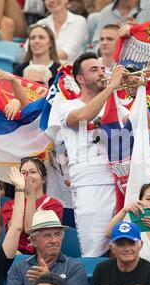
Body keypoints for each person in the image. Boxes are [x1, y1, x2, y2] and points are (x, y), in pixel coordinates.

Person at [57, 52, 131, 257]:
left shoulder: (115, 104)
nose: (101, 72)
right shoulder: (68, 106)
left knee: (126, 246)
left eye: (101, 68)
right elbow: (81, 117)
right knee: (94, 250)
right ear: (80, 79)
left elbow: (146, 127)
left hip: (121, 180)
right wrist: (111, 87)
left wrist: (139, 93)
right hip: (89, 185)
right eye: (93, 69)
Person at [3, 210, 87, 285]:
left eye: (57, 234)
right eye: (47, 235)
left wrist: (50, 280)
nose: (54, 240)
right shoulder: (19, 267)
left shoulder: (75, 267)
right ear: (33, 241)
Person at [1, 157, 63, 255]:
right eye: (23, 173)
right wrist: (20, 189)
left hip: (42, 254)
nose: (27, 176)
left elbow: (30, 230)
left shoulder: (54, 205)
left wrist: (30, 196)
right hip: (15, 254)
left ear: (43, 178)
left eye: (32, 172)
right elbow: (14, 231)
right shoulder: (10, 205)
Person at [89, 221, 150, 285]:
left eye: (132, 243)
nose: (127, 249)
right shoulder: (101, 268)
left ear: (141, 245)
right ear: (112, 248)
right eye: (121, 244)